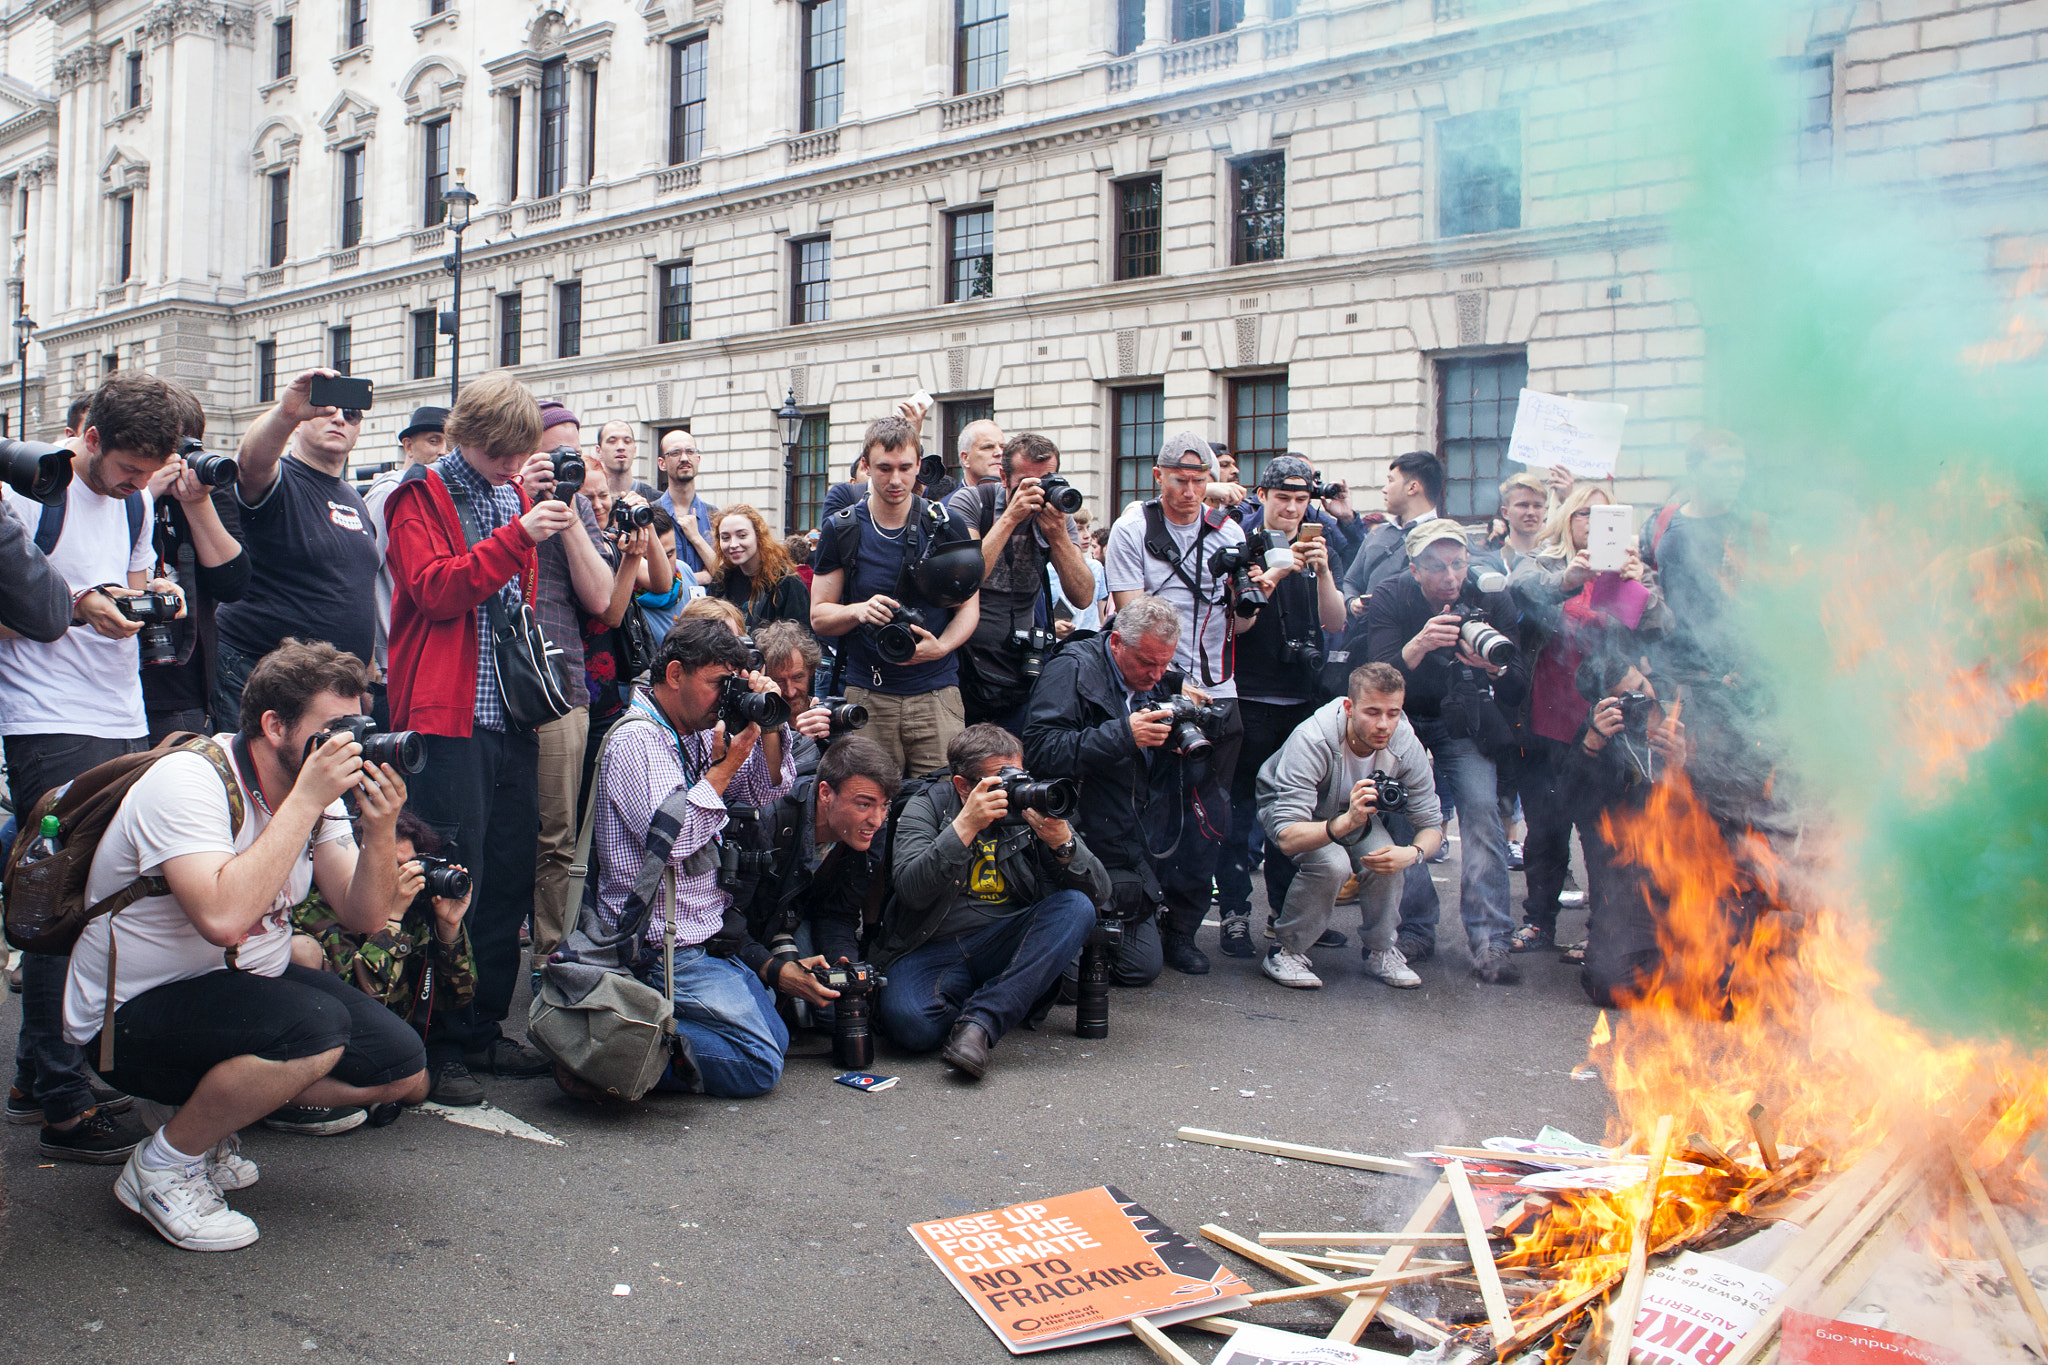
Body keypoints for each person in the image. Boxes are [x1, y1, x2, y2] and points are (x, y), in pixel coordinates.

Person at [62, 639, 428, 1251]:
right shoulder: (190, 781)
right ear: (273, 725)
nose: (351, 743)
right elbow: (224, 918)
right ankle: (165, 1164)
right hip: (128, 1015)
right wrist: (309, 798)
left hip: (238, 989)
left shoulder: (320, 797)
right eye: (334, 728)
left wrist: (381, 828)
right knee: (315, 1029)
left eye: (359, 725)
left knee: (399, 1064)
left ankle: (207, 1120)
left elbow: (365, 916)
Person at [1, 370, 185, 1163]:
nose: (135, 485)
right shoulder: (29, 496)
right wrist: (82, 602)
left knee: (99, 895)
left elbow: (135, 592)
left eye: (147, 475)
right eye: (126, 470)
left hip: (121, 714)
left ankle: (32, 1074)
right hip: (46, 717)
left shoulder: (139, 504)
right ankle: (64, 1096)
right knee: (59, 900)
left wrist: (153, 600)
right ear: (91, 436)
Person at [382, 372, 572, 1101]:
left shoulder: (513, 493)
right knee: (447, 879)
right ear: (474, 438)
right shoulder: (418, 493)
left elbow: (512, 598)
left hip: (507, 715)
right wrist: (514, 535)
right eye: (504, 455)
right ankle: (436, 1041)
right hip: (444, 715)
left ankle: (482, 1027)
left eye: (518, 457)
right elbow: (434, 588)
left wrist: (520, 525)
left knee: (505, 878)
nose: (512, 468)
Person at [586, 620, 833, 1099]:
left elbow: (762, 790)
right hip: (656, 947)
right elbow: (672, 841)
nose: (724, 698)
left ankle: (644, 1026)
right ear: (675, 673)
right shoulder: (638, 740)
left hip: (699, 937)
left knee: (777, 1038)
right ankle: (611, 1049)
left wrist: (767, 724)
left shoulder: (691, 730)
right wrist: (723, 769)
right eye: (719, 684)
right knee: (759, 1064)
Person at [1103, 433, 1256, 975]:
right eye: (1180, 479)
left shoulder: (1228, 532)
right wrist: (1170, 682)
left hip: (1218, 692)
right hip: (1154, 686)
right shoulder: (1132, 529)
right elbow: (1129, 615)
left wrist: (1259, 587)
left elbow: (1241, 624)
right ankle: (1141, 914)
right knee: (1150, 807)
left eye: (1199, 482)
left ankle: (1185, 927)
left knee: (1210, 814)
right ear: (1158, 476)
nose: (1189, 492)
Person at [873, 724, 1107, 1079]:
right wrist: (963, 827)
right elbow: (911, 890)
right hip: (930, 946)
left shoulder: (1031, 807)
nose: (1015, 789)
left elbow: (1100, 894)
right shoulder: (926, 806)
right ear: (962, 785)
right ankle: (1003, 999)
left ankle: (981, 1023)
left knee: (1076, 907)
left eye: (1019, 776)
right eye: (1000, 781)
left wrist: (1063, 844)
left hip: (1002, 941)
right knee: (912, 1028)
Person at [1364, 519, 1528, 984]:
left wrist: (1491, 669)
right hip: (1404, 720)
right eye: (1436, 567)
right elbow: (1377, 674)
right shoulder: (1393, 594)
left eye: (1458, 564)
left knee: (1481, 814)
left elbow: (1519, 680)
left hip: (1463, 718)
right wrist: (1419, 644)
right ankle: (1415, 928)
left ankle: (1491, 939)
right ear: (1414, 570)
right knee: (1403, 816)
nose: (1450, 577)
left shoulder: (1491, 593)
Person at [1507, 485, 1667, 954]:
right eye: (1584, 514)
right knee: (1545, 831)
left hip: (1609, 729)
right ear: (1566, 518)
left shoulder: (1630, 575)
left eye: (1604, 515)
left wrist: (1635, 585)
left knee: (1604, 837)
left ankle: (1603, 930)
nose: (1593, 524)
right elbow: (1520, 589)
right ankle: (1539, 922)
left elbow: (1665, 630)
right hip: (1546, 722)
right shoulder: (1549, 565)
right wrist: (1571, 579)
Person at [1214, 456, 1347, 958]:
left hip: (1301, 701)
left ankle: (1285, 917)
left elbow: (1334, 623)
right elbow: (1237, 626)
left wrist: (1323, 571)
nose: (1291, 508)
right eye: (1282, 498)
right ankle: (1234, 914)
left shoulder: (1318, 546)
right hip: (1248, 696)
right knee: (1239, 813)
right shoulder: (1241, 544)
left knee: (1293, 815)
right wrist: (1272, 572)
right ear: (1262, 496)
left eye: (1300, 500)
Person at [1022, 595, 1190, 987]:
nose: (1156, 674)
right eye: (1148, 663)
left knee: (1141, 968)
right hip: (1074, 837)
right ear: (1116, 642)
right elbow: (1041, 750)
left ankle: (1087, 937)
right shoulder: (1072, 669)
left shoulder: (1157, 677)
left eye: (1165, 662)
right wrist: (1124, 735)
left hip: (1123, 842)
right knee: (1061, 983)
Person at [811, 416, 981, 776]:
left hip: (937, 693)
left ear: (919, 464)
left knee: (940, 805)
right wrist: (859, 610)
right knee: (864, 812)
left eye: (905, 468)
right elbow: (819, 616)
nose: (896, 480)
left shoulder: (946, 523)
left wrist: (943, 646)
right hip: (867, 693)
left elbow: (969, 608)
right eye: (884, 468)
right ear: (865, 467)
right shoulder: (842, 528)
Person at [1255, 662, 1442, 989]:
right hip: (1293, 809)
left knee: (1387, 858)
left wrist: (1411, 854)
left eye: (1393, 712)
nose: (1384, 724)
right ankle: (1285, 950)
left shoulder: (1404, 740)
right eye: (1372, 712)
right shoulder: (1313, 738)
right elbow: (1287, 835)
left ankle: (1380, 950)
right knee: (1332, 864)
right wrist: (1341, 824)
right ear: (1349, 707)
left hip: (1351, 810)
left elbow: (1432, 825)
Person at [212, 369, 381, 727]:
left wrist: (365, 673)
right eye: (327, 409)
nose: (339, 418)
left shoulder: (353, 498)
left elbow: (356, 593)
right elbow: (250, 465)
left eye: (351, 415)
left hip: (330, 687)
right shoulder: (281, 477)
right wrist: (286, 413)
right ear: (304, 421)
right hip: (260, 675)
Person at [528, 442, 638, 973]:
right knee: (504, 832)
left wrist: (569, 512)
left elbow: (604, 602)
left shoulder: (578, 516)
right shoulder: (504, 493)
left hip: (565, 684)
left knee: (557, 835)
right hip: (494, 686)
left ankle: (552, 961)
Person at [1559, 655, 1688, 1005]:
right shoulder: (1596, 733)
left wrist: (1684, 765)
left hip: (1698, 867)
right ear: (1604, 704)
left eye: (1642, 688)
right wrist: (1591, 746)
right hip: (1634, 879)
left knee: (1732, 988)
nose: (1643, 701)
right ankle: (1652, 948)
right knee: (1607, 982)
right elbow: (1573, 807)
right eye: (1627, 699)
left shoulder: (1687, 709)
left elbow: (1732, 798)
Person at [946, 433, 1096, 731]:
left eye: (1046, 481)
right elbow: (964, 581)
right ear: (1003, 476)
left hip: (1023, 664)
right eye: (1027, 483)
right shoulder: (973, 501)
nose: (1037, 493)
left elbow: (1083, 595)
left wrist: (1057, 536)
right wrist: (1010, 519)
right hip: (967, 665)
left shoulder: (1058, 516)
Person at [288, 808, 477, 1039]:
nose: (405, 875)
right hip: (341, 1042)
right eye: (394, 864)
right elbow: (361, 1009)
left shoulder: (412, 913)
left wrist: (448, 928)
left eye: (411, 864)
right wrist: (391, 921)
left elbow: (454, 997)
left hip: (396, 1044)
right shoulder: (318, 914)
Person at [141, 382, 249, 741]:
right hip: (107, 681)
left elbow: (233, 583)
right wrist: (144, 496)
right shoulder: (120, 491)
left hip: (181, 687)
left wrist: (196, 503)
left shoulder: (207, 494)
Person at [363, 405, 448, 724]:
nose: (442, 451)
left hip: (418, 668)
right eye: (434, 440)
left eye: (448, 443)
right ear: (408, 445)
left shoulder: (436, 491)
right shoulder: (390, 491)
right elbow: (365, 574)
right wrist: (369, 661)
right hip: (388, 671)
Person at [1342, 450, 1445, 611]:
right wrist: (1352, 602)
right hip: (1369, 632)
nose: (1384, 489)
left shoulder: (1445, 538)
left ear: (1412, 487)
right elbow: (1350, 582)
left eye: (1390, 481)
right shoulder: (1378, 534)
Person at [713, 504, 811, 632]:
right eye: (725, 538)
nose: (733, 544)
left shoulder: (786, 581)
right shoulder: (722, 577)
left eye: (742, 535)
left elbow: (802, 638)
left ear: (758, 536)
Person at [756, 622, 834, 777]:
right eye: (778, 681)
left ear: (811, 670)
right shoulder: (756, 727)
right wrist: (799, 742)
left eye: (798, 677)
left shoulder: (827, 716)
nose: (790, 692)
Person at [655, 428, 719, 581]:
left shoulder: (715, 515)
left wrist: (696, 538)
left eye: (690, 452)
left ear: (698, 459)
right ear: (661, 463)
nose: (684, 458)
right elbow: (650, 577)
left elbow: (723, 574)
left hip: (708, 604)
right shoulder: (651, 516)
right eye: (675, 453)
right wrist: (702, 577)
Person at [594, 419, 659, 500]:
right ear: (599, 451)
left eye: (627, 441)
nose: (621, 447)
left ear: (634, 450)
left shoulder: (656, 499)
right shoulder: (588, 501)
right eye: (612, 441)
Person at [957, 419, 1005, 488]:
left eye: (1003, 447)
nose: (1000, 452)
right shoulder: (953, 499)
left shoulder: (1017, 497)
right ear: (965, 458)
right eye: (988, 447)